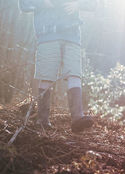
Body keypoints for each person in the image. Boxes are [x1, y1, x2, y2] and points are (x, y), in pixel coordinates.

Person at [18, 0, 97, 132]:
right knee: (46, 77)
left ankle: (77, 118)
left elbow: (94, 4)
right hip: (47, 34)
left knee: (74, 73)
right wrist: (43, 2)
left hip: (72, 36)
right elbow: (24, 4)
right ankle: (42, 121)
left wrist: (78, 4)